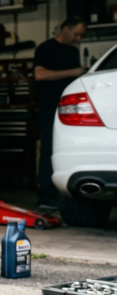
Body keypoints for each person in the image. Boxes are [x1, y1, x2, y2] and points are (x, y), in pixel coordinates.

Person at [33, 17, 87, 210]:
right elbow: (40, 74)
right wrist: (74, 71)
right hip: (48, 108)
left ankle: (64, 195)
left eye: (81, 35)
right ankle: (46, 196)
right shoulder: (46, 48)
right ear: (66, 29)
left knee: (68, 150)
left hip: (70, 111)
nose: (78, 38)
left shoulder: (72, 52)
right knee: (49, 150)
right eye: (76, 34)